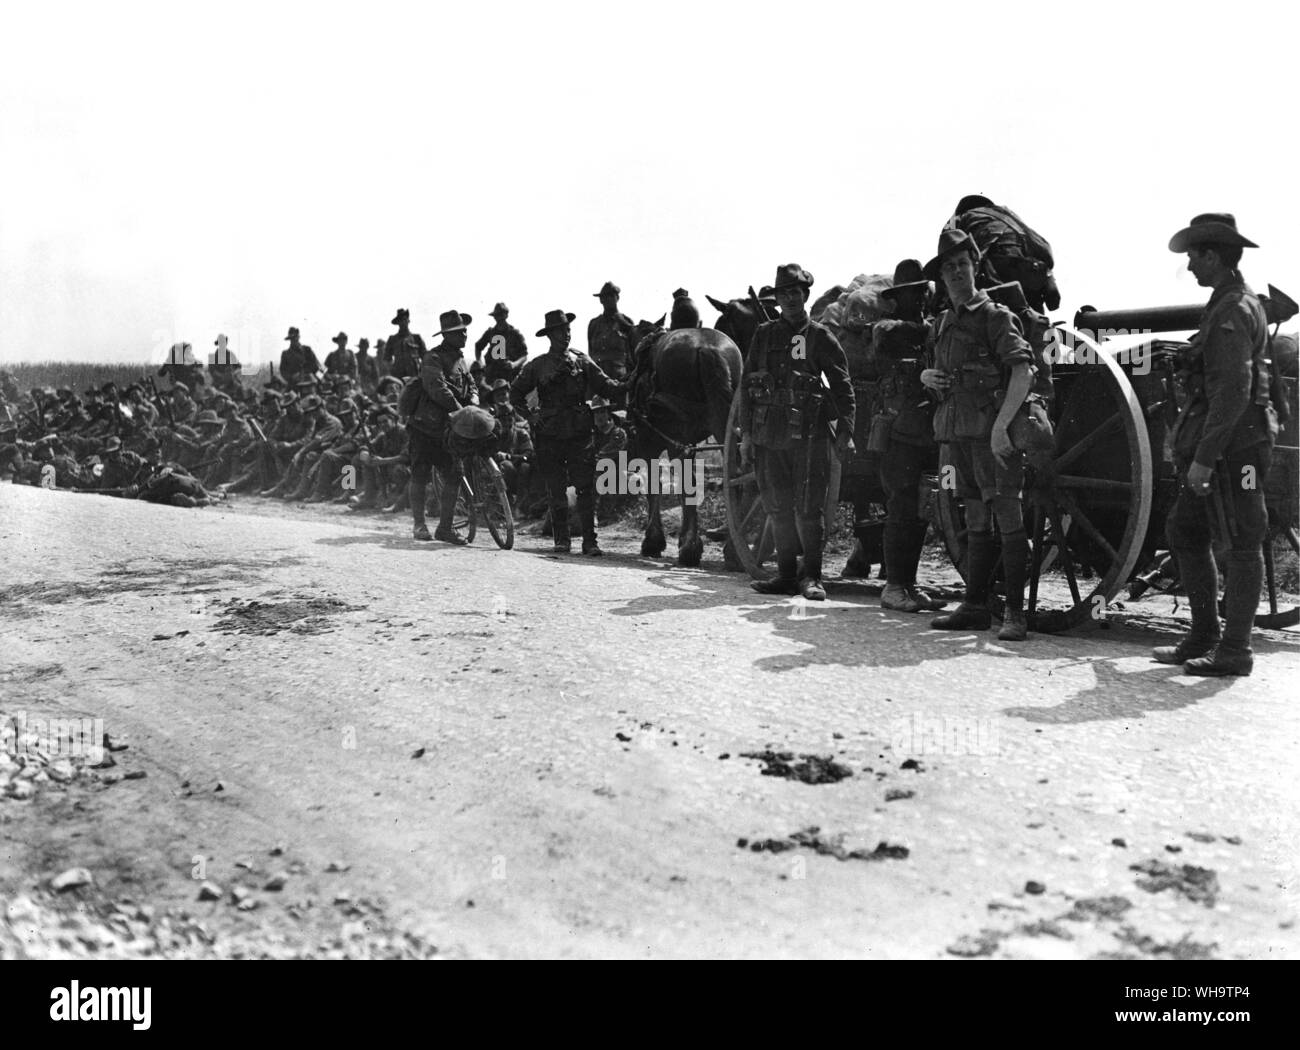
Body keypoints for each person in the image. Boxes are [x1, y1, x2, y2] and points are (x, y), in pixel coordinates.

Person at [1154, 214, 1277, 676]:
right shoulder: (1225, 304)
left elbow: (1233, 391)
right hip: (1220, 443)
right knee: (1185, 531)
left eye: (1193, 256)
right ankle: (1204, 634)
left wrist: (1204, 460)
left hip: (1235, 448)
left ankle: (1235, 651)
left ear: (1213, 255)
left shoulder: (1232, 309)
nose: (1188, 266)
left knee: (1244, 541)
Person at [920, 229, 1036, 641]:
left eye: (962, 265)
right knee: (974, 518)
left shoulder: (995, 317)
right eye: (948, 268)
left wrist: (1003, 426)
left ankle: (1016, 616)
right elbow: (943, 379)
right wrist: (927, 377)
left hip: (992, 436)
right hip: (959, 435)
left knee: (1008, 517)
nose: (955, 273)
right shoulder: (944, 323)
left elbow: (1023, 371)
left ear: (974, 269)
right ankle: (974, 606)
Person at [737, 263, 856, 600]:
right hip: (769, 436)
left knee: (808, 508)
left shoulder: (820, 337)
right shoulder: (764, 335)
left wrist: (845, 434)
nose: (789, 299)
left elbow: (844, 388)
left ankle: (813, 578)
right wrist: (746, 436)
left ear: (805, 295)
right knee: (778, 506)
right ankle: (787, 576)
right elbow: (747, 387)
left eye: (795, 293)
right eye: (783, 294)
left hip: (810, 436)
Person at [512, 308, 624, 554]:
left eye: (568, 330)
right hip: (549, 434)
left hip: (579, 432)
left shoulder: (582, 360)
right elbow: (515, 393)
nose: (566, 335)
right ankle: (561, 539)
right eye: (561, 331)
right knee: (556, 488)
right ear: (550, 335)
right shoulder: (538, 366)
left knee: (585, 487)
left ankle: (589, 541)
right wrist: (531, 416)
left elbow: (606, 386)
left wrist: (628, 382)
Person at [870, 259, 946, 613]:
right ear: (896, 298)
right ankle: (894, 586)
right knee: (901, 506)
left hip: (926, 432)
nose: (917, 298)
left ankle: (909, 584)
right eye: (910, 294)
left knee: (919, 510)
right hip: (898, 434)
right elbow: (889, 338)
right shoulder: (887, 328)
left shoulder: (931, 327)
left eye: (920, 292)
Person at [407, 309, 478, 542]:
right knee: (420, 474)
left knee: (455, 473)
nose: (464, 335)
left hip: (448, 428)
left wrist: (474, 402)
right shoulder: (432, 357)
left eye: (465, 330)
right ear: (446, 335)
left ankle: (445, 528)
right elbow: (436, 387)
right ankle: (419, 525)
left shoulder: (461, 361)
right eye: (459, 332)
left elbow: (472, 385)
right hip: (425, 427)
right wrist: (459, 408)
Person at [947, 194, 1060, 312]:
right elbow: (1043, 249)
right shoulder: (1010, 217)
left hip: (998, 278)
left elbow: (955, 255)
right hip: (1031, 277)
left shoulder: (966, 217)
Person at [587, 281, 636, 406]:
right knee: (597, 417)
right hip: (597, 381)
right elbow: (590, 354)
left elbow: (633, 357)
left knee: (619, 416)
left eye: (611, 296)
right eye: (604, 297)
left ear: (617, 298)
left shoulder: (626, 323)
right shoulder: (594, 324)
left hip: (620, 380)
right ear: (600, 300)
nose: (607, 299)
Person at [473, 303, 529, 398]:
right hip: (492, 375)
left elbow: (524, 355)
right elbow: (478, 346)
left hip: (509, 375)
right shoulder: (490, 333)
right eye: (496, 315)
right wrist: (480, 363)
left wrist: (514, 364)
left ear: (506, 315)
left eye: (501, 315)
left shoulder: (514, 333)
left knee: (510, 399)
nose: (499, 318)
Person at [385, 308, 427, 380]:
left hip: (415, 375)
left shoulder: (416, 338)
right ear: (398, 323)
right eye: (400, 320)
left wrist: (422, 372)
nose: (403, 322)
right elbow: (387, 358)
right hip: (398, 376)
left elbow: (425, 357)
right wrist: (392, 370)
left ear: (408, 321)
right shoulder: (392, 339)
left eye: (404, 319)